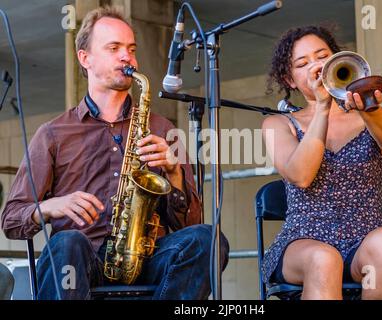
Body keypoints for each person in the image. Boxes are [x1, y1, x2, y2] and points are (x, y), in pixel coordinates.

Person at [1, 6, 229, 300]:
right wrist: (51, 206)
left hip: (148, 258)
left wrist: (173, 173)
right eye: (114, 48)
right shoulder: (53, 133)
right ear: (85, 58)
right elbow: (11, 220)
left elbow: (190, 226)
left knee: (207, 239)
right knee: (66, 242)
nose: (127, 57)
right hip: (83, 260)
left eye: (131, 49)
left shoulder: (161, 127)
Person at [261, 26, 382, 300]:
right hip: (304, 242)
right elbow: (301, 175)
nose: (316, 66)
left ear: (337, 59)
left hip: (364, 241)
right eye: (303, 63)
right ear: (290, 79)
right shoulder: (278, 124)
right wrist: (322, 108)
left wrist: (368, 107)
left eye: (322, 56)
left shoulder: (378, 114)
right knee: (325, 258)